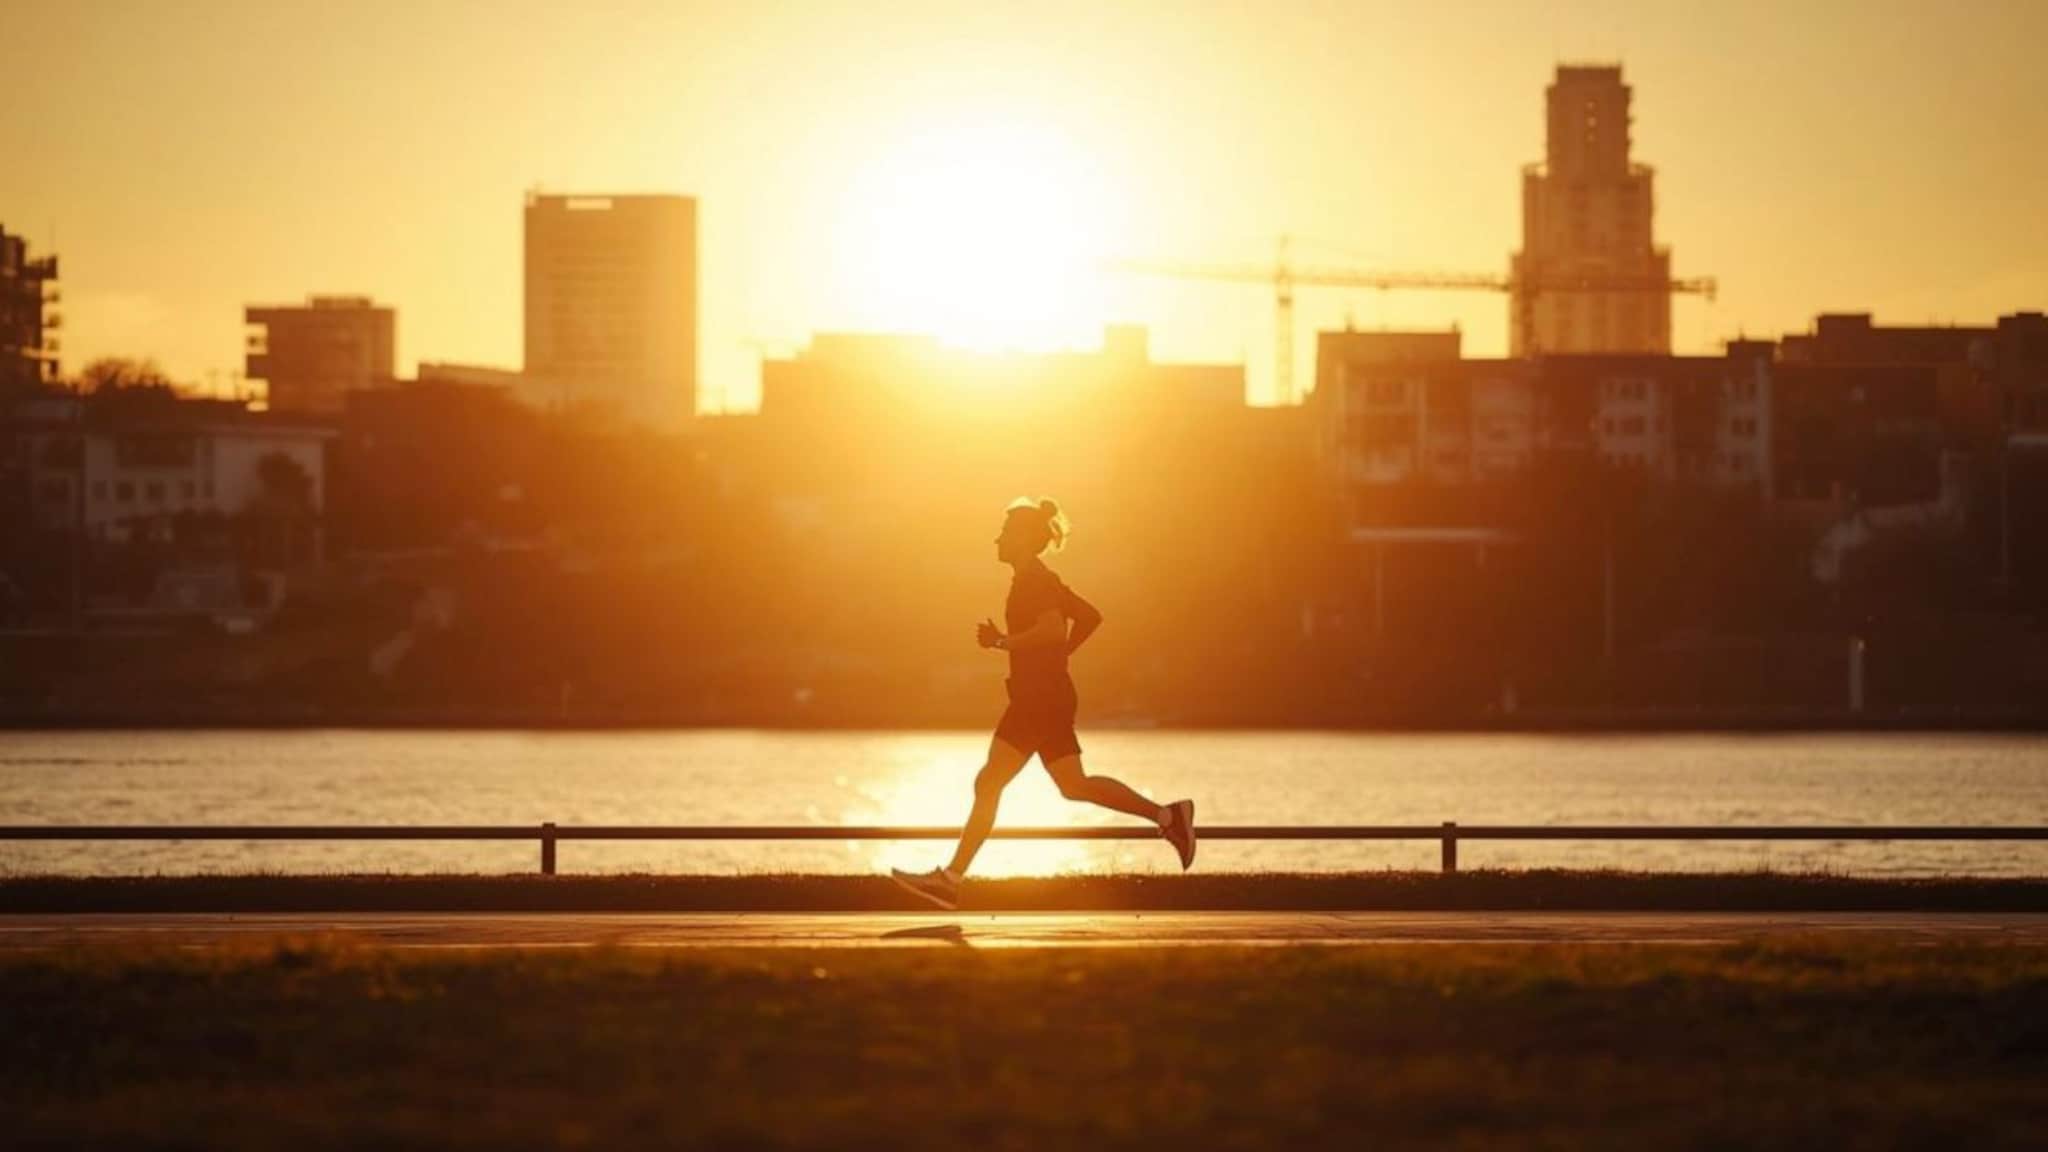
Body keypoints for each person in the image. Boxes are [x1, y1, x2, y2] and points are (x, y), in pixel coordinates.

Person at [892, 498, 1195, 910]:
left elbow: (1051, 628)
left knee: (991, 782)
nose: (996, 538)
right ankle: (1168, 817)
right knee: (1070, 785)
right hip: (1044, 694)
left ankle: (950, 880)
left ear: (1021, 539)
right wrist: (1061, 655)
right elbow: (1089, 616)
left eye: (1003, 532)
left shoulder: (1034, 581)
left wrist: (1004, 642)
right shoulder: (1041, 579)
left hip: (1039, 697)